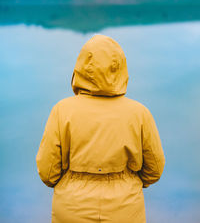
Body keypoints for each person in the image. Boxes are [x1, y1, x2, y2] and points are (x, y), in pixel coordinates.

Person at [36, 34, 165, 223]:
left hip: (71, 207)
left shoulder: (62, 110)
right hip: (125, 208)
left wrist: (71, 183)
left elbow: (47, 171)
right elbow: (154, 169)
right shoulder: (139, 113)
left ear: (80, 67)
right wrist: (128, 183)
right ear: (120, 67)